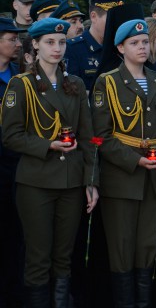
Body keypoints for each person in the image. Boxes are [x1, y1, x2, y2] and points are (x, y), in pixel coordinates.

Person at [1, 18, 98, 307]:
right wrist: (48, 145)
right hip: (36, 181)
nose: (57, 48)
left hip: (70, 180)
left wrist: (91, 181)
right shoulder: (22, 85)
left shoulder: (75, 84)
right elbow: (10, 136)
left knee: (64, 256)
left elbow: (88, 136)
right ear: (36, 45)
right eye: (50, 42)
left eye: (62, 42)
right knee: (38, 256)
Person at [91, 19, 156, 307]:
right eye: (134, 43)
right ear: (120, 48)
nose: (141, 47)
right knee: (122, 250)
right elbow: (100, 137)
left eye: (144, 42)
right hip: (122, 178)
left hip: (153, 180)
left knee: (147, 248)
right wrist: (135, 160)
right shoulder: (108, 81)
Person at [0, 18, 24, 308]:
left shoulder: (20, 78)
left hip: (17, 166)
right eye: (11, 38)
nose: (18, 43)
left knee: (16, 237)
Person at [65, 0, 129, 91]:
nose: (117, 23)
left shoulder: (122, 47)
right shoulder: (73, 49)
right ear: (93, 17)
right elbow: (71, 92)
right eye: (112, 18)